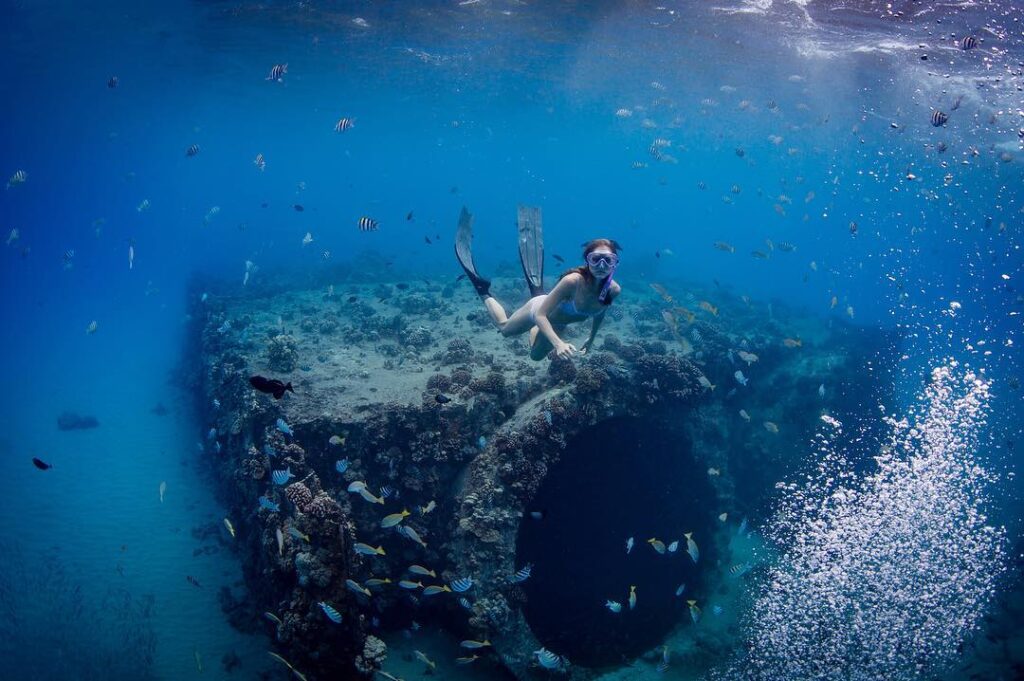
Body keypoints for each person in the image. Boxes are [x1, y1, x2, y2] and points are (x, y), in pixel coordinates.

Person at [454, 205, 621, 361]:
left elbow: (600, 312)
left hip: (557, 321)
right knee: (504, 330)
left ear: (615, 263)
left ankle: (536, 325)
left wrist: (591, 339)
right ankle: (483, 289)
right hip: (538, 310)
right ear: (587, 261)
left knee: (536, 357)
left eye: (608, 260)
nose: (601, 265)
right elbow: (541, 315)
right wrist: (559, 344)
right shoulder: (572, 281)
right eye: (595, 259)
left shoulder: (613, 290)